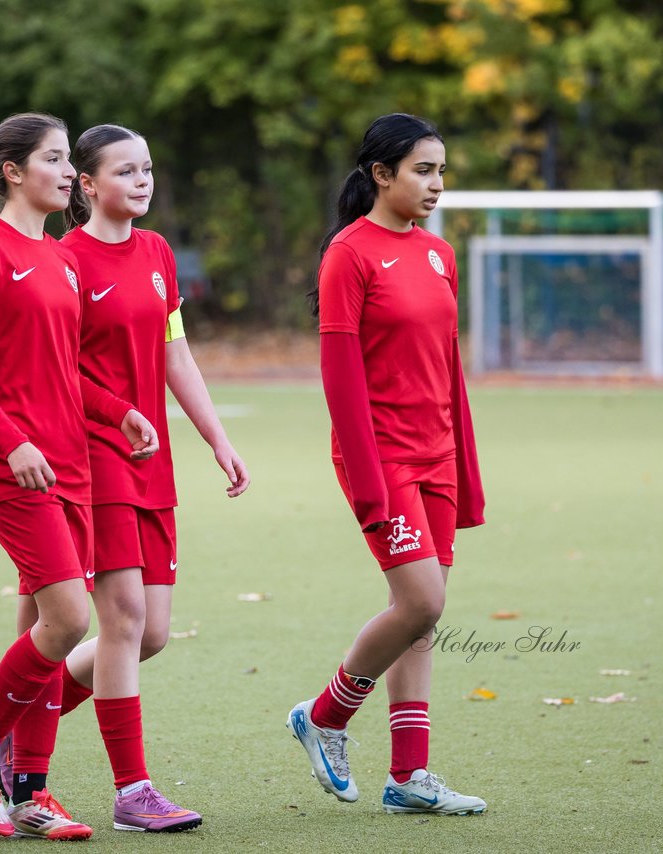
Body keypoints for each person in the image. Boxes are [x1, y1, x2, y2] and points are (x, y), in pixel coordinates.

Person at [0, 112, 160, 841]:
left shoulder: (61, 258)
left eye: (69, 161)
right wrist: (11, 441)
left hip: (75, 468)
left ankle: (29, 791)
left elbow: (63, 371)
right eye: (55, 161)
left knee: (42, 626)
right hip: (14, 470)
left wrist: (119, 411)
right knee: (69, 619)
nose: (68, 173)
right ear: (11, 172)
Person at [33, 123, 250, 833]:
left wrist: (217, 439)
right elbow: (56, 368)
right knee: (121, 620)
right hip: (91, 462)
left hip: (150, 462)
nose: (142, 181)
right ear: (87, 185)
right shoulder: (63, 259)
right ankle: (132, 793)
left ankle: (7, 726)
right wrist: (117, 412)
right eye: (125, 171)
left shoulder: (156, 253)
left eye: (148, 169)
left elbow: (175, 357)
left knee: (151, 633)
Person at [285, 113, 487, 817]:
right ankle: (325, 716)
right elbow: (340, 380)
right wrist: (369, 482)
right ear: (381, 174)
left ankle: (410, 777)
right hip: (381, 456)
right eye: (422, 170)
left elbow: (448, 370)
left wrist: (466, 468)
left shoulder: (438, 255)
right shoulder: (350, 253)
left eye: (440, 171)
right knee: (422, 601)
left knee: (422, 621)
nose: (436, 185)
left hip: (438, 455)